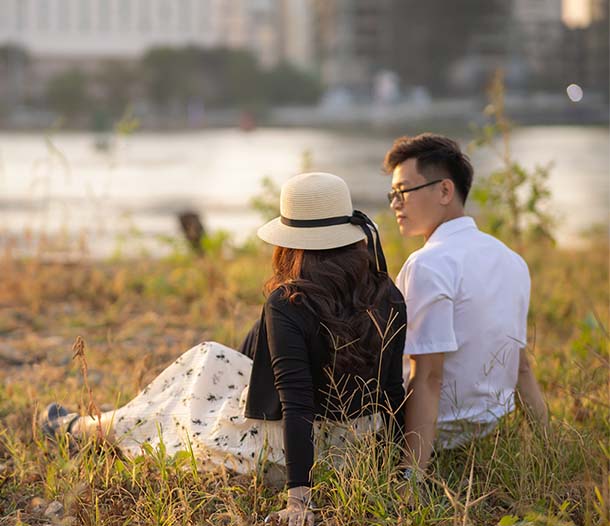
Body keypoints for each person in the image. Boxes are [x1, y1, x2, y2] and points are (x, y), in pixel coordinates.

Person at [41, 172, 407, 525]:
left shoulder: (289, 301)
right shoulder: (387, 292)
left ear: (290, 241)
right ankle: (97, 423)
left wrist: (299, 501)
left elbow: (298, 406)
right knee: (211, 361)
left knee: (189, 388)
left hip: (280, 453)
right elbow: (392, 392)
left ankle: (86, 428)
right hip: (353, 450)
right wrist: (397, 467)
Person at [383, 133, 548, 477]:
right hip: (486, 426)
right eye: (392, 194)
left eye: (403, 192)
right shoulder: (512, 260)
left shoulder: (427, 264)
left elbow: (428, 377)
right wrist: (549, 447)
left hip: (435, 430)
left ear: (445, 191)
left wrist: (410, 477)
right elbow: (521, 368)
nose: (395, 204)